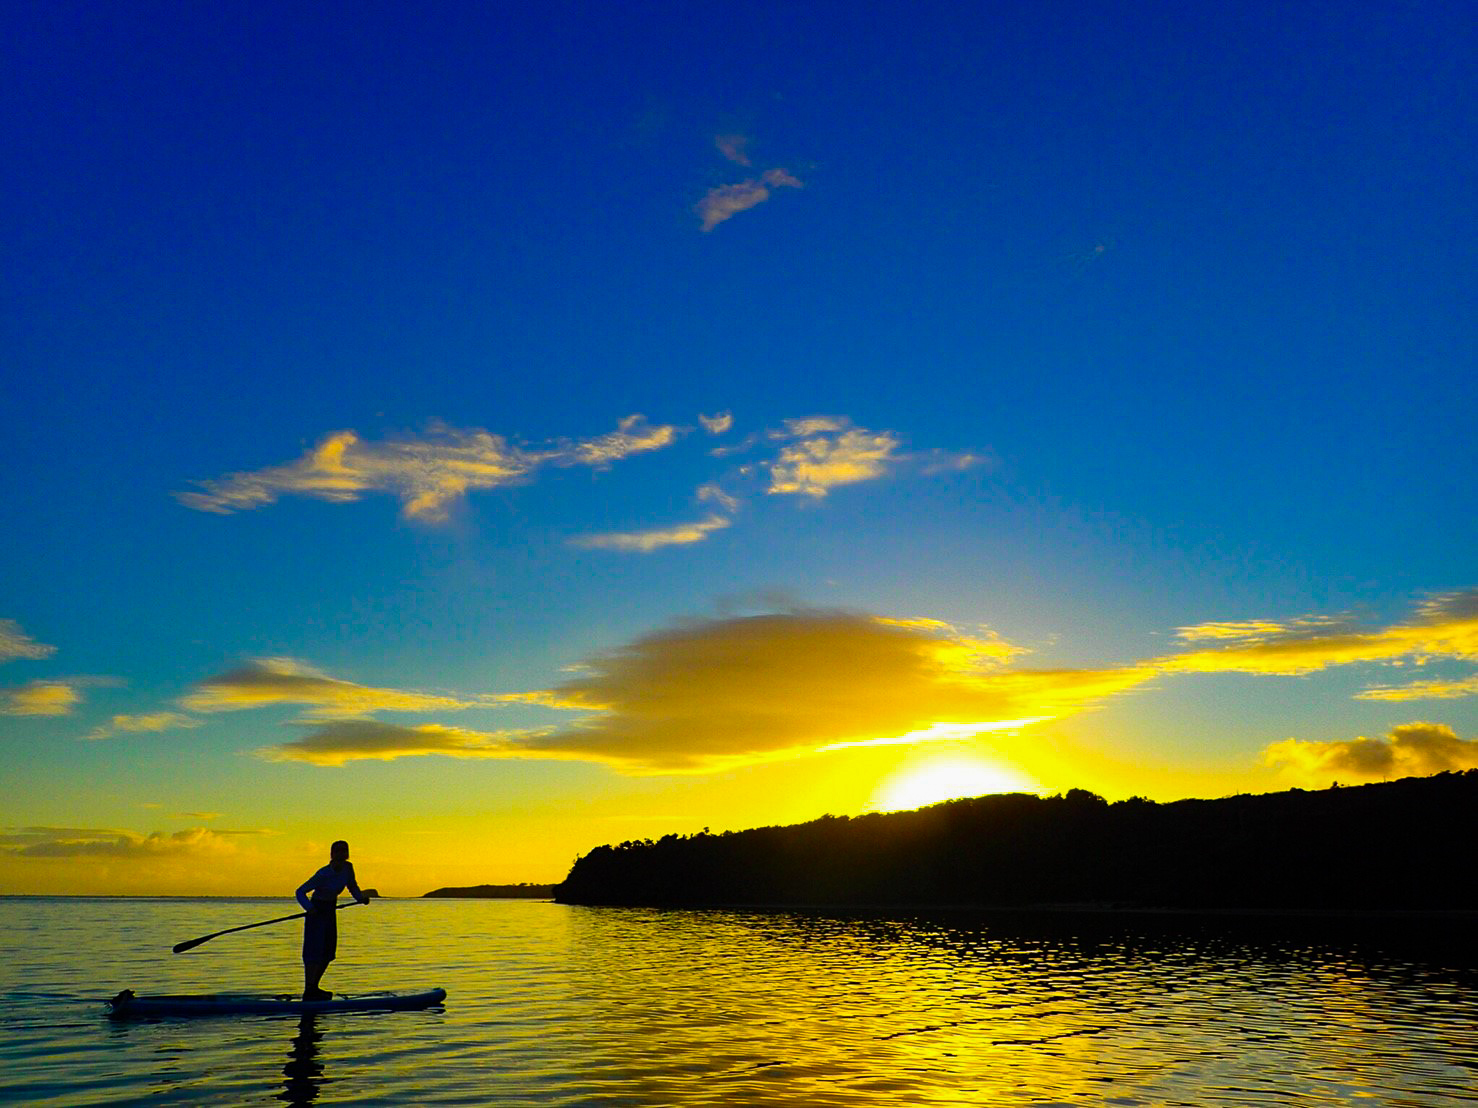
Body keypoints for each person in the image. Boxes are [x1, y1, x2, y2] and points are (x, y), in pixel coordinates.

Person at [295, 840, 370, 1000]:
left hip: (329, 911)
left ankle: (314, 987)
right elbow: (300, 892)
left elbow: (352, 886)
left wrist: (360, 898)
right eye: (338, 851)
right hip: (317, 912)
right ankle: (309, 989)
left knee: (328, 952)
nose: (342, 854)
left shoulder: (348, 868)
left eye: (344, 850)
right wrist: (310, 909)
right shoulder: (324, 873)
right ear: (332, 854)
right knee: (313, 951)